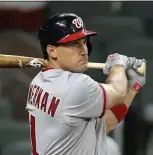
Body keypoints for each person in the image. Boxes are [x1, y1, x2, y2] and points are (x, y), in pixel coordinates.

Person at [26, 13, 146, 155]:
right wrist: (118, 65)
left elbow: (107, 123)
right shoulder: (76, 85)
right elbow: (118, 93)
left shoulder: (38, 81)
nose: (84, 51)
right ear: (52, 51)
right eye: (74, 44)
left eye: (84, 42)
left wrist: (134, 86)